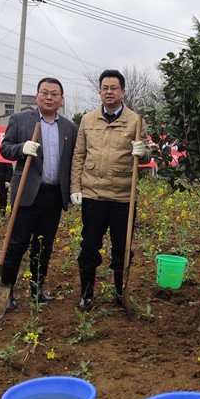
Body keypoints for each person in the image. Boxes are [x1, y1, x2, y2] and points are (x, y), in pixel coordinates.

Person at [70, 69, 150, 310]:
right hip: (94, 195)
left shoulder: (136, 121)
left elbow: (146, 155)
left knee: (122, 248)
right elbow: (79, 156)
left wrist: (143, 152)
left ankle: (119, 291)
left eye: (114, 88)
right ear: (100, 91)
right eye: (105, 88)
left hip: (123, 198)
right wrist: (76, 186)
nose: (109, 92)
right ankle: (86, 293)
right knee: (89, 246)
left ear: (123, 92)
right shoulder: (87, 119)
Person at [0, 77, 77, 311]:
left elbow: (73, 161)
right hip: (27, 192)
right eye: (45, 93)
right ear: (37, 97)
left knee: (44, 245)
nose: (50, 97)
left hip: (53, 196)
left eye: (55, 94)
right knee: (17, 243)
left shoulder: (69, 128)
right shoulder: (21, 119)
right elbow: (5, 148)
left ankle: (37, 288)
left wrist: (74, 189)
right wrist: (21, 149)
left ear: (62, 100)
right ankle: (7, 289)